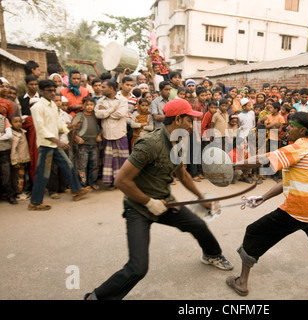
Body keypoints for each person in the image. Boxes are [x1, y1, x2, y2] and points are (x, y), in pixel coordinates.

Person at [84, 99, 233, 300]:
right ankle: (95, 297)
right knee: (137, 268)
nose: (192, 125)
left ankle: (212, 254)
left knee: (198, 225)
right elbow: (121, 180)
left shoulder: (178, 142)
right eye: (189, 120)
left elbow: (182, 174)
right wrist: (148, 202)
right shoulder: (149, 144)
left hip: (165, 202)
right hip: (138, 208)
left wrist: (200, 198)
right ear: (178, 119)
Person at [226, 111, 308, 296]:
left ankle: (242, 282)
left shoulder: (297, 148)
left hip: (296, 210)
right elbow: (286, 183)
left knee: (254, 232)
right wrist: (263, 197)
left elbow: (263, 159)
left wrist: (233, 165)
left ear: (302, 131)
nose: (286, 128)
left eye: (291, 126)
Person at [28, 80, 90, 211]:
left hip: (54, 143)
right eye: (49, 90)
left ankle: (76, 190)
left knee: (67, 165)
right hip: (46, 144)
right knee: (43, 173)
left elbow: (58, 124)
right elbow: (41, 129)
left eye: (53, 90)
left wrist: (70, 128)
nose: (52, 93)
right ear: (41, 91)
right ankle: (34, 202)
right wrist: (58, 141)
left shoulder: (52, 105)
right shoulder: (37, 107)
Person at [94, 80, 129, 189]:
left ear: (111, 88)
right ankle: (112, 183)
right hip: (107, 134)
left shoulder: (122, 100)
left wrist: (106, 112)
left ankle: (123, 182)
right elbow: (97, 114)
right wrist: (111, 110)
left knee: (122, 159)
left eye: (103, 87)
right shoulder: (100, 101)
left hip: (120, 133)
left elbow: (120, 114)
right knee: (110, 159)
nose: (101, 89)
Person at [72, 97, 102, 190]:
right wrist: (77, 137)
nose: (89, 107)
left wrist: (99, 135)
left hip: (94, 144)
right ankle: (82, 184)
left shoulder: (96, 116)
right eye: (87, 104)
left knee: (94, 165)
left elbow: (102, 127)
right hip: (83, 145)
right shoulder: (79, 116)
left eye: (91, 105)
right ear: (83, 105)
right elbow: (73, 129)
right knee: (82, 166)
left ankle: (93, 182)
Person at [9, 114, 30, 201]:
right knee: (19, 177)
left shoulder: (22, 132)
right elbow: (13, 150)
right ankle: (19, 193)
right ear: (10, 123)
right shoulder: (14, 136)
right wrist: (15, 162)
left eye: (20, 122)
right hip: (18, 161)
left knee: (22, 176)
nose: (18, 124)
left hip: (24, 159)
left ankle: (21, 191)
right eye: (16, 122)